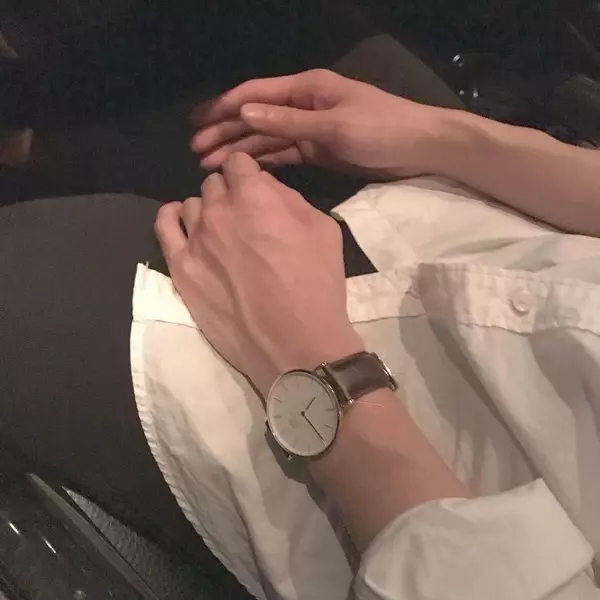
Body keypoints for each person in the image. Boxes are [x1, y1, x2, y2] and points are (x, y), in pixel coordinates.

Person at [2, 34, 600, 600]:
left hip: (368, 471)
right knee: (271, 40)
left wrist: (307, 356)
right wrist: (448, 136)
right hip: (496, 222)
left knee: (32, 263)